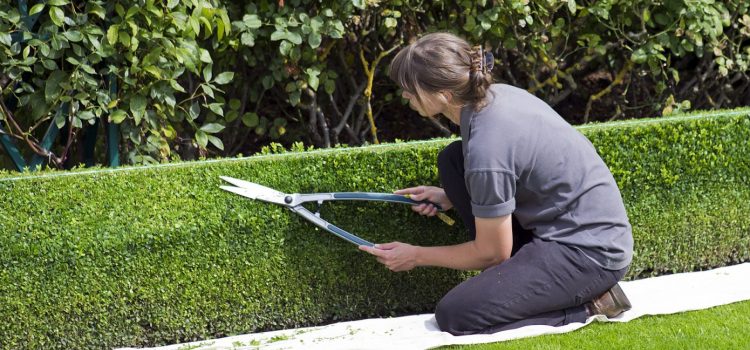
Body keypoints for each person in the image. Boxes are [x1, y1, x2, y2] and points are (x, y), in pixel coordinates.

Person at [358, 32, 634, 335]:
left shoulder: (487, 148)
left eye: (409, 90)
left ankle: (592, 304)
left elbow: (492, 254)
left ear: (444, 95)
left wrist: (417, 255)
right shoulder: (494, 97)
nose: (405, 96)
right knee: (452, 161)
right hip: (572, 227)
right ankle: (523, 282)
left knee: (455, 314)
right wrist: (449, 196)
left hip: (589, 253)